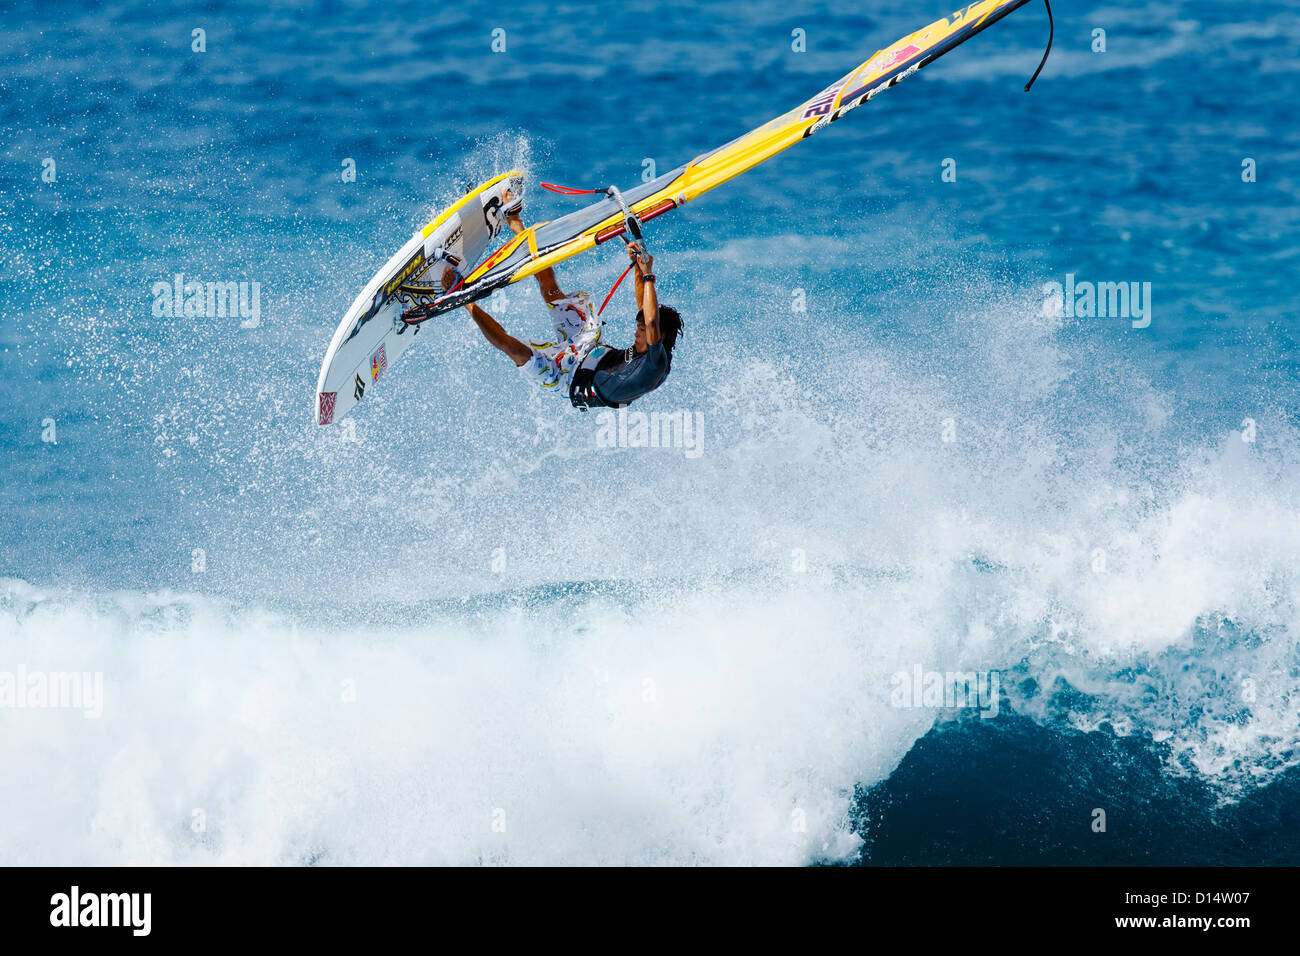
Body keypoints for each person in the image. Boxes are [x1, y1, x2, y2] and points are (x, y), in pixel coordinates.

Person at [454, 190, 682, 409]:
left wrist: (649, 273)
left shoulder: (656, 363)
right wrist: (637, 267)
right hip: (590, 346)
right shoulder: (651, 340)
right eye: (639, 327)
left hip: (567, 378)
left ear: (659, 336)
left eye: (642, 330)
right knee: (551, 291)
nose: (636, 331)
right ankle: (515, 222)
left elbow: (650, 322)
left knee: (514, 349)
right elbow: (646, 312)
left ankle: (464, 298)